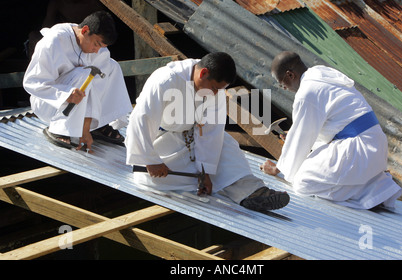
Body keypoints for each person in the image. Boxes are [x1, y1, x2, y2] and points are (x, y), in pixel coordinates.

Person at [125, 52, 290, 211]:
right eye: (214, 88)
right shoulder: (166, 80)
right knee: (148, 178)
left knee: (226, 146)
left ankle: (252, 192)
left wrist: (206, 172)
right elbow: (141, 119)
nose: (216, 93)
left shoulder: (213, 90)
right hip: (161, 138)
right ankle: (224, 185)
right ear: (203, 73)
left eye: (220, 90)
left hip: (191, 135)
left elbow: (212, 130)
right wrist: (150, 160)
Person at [261, 51, 402, 210]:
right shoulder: (321, 74)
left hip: (360, 150)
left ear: (290, 75)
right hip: (374, 145)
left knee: (302, 181)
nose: (284, 88)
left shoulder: (307, 92)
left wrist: (280, 168)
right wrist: (295, 137)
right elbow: (328, 127)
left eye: (282, 83)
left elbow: (302, 136)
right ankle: (373, 181)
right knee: (313, 163)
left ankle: (370, 193)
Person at [23, 11, 132, 152]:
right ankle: (59, 129)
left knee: (112, 66)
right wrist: (65, 94)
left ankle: (98, 124)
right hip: (49, 104)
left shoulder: (99, 52)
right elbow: (32, 82)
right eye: (96, 44)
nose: (96, 51)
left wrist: (85, 129)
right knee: (85, 73)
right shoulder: (54, 42)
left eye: (101, 47)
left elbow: (95, 91)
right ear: (85, 30)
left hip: (81, 105)